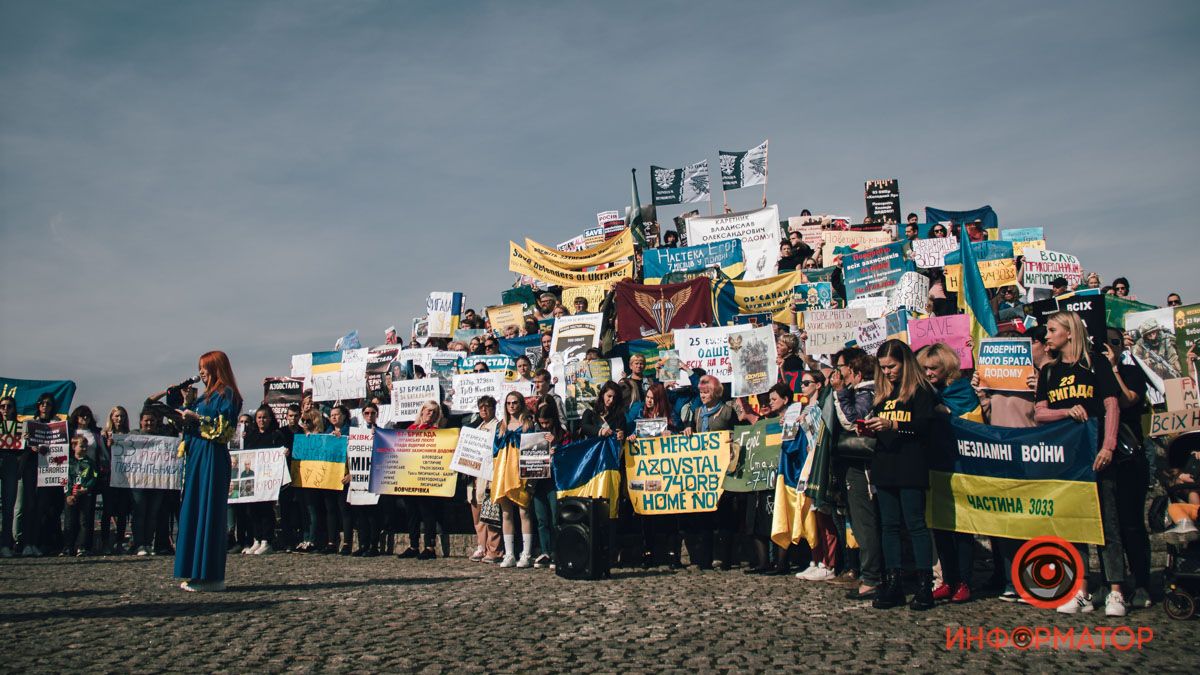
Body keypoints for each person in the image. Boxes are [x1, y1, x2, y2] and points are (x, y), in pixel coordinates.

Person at [1034, 311, 1126, 616]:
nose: (1047, 336)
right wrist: (1065, 411)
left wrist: (1108, 446)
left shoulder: (1094, 363)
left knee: (1107, 524)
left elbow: (1111, 405)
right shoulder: (1049, 372)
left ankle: (1115, 591)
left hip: (1096, 452)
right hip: (1067, 458)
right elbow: (1040, 413)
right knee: (1074, 525)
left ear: (1070, 333)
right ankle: (1082, 589)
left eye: (1051, 330)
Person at [863, 339, 938, 611]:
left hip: (910, 463)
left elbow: (924, 427)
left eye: (891, 366)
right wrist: (871, 428)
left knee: (915, 524)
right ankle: (892, 583)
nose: (887, 372)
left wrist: (893, 424)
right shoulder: (883, 394)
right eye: (882, 368)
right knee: (889, 526)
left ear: (904, 363)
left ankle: (923, 585)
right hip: (885, 463)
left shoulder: (920, 391)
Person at [917, 343, 980, 604]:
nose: (929, 373)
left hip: (961, 463)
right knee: (940, 525)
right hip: (936, 461)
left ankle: (964, 580)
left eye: (934, 368)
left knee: (963, 527)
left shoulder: (962, 390)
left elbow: (970, 420)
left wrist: (945, 412)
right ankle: (949, 579)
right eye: (925, 369)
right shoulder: (930, 392)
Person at [174, 350, 242, 592]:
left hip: (212, 455)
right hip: (196, 455)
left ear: (216, 368)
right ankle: (193, 570)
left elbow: (225, 430)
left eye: (205, 367)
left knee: (209, 511)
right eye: (199, 367)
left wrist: (197, 419)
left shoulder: (228, 395)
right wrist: (184, 408)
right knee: (193, 508)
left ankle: (211, 574)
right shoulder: (202, 398)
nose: (201, 372)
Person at [830, 348, 881, 600]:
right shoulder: (858, 391)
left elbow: (852, 421)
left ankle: (872, 577)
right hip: (853, 465)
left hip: (864, 466)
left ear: (854, 370)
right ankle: (870, 573)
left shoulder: (866, 391)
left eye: (841, 367)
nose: (838, 373)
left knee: (865, 521)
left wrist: (840, 392)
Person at [680, 374, 737, 570]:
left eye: (706, 392)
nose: (703, 395)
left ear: (715, 392)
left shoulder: (727, 412)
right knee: (703, 515)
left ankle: (723, 557)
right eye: (701, 392)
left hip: (722, 471)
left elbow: (736, 434)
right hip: (702, 472)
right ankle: (701, 558)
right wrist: (688, 430)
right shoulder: (696, 413)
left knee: (723, 514)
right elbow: (692, 434)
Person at [625, 383, 679, 568]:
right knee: (647, 515)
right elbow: (633, 433)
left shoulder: (670, 416)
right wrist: (632, 437)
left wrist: (671, 433)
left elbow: (680, 433)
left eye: (652, 399)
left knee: (670, 513)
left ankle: (673, 554)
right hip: (647, 472)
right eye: (647, 397)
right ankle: (648, 553)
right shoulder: (640, 415)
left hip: (666, 471)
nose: (648, 401)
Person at [397, 401, 444, 560]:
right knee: (411, 513)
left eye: (434, 412)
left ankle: (430, 546)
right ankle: (413, 545)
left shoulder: (438, 432)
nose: (430, 414)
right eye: (428, 411)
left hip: (426, 478)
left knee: (427, 512)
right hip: (410, 478)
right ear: (422, 411)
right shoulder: (411, 429)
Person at [493, 391, 535, 568]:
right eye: (509, 403)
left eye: (515, 402)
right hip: (503, 470)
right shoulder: (501, 425)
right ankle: (509, 553)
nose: (511, 406)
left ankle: (526, 553)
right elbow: (495, 450)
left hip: (520, 471)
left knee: (524, 512)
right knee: (506, 513)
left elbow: (535, 450)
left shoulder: (528, 424)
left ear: (521, 404)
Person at [240, 405, 286, 555]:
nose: (262, 420)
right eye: (259, 417)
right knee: (252, 510)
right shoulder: (251, 436)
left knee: (266, 510)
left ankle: (267, 540)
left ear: (270, 419)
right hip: (253, 480)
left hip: (268, 481)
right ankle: (257, 539)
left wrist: (284, 453)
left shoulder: (276, 435)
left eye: (264, 417)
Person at [529, 397, 566, 569]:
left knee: (554, 518)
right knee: (541, 518)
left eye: (547, 422)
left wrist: (556, 444)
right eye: (541, 423)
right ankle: (545, 551)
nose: (544, 426)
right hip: (538, 482)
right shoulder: (534, 435)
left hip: (554, 482)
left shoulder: (561, 434)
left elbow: (569, 454)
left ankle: (557, 552)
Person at [465, 396, 503, 563]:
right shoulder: (476, 427)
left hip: (489, 475)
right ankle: (481, 546)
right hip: (474, 475)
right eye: (481, 407)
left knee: (491, 515)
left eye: (487, 407)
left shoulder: (499, 426)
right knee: (477, 513)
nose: (484, 410)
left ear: (493, 408)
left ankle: (494, 550)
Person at [0, 395, 33, 558]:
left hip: (11, 464)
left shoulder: (20, 427)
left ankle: (6, 545)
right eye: (3, 406)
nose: (6, 409)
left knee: (9, 507)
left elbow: (25, 451)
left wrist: (25, 442)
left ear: (14, 409)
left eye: (9, 406)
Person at [62, 435, 100, 557]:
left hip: (85, 495)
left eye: (85, 446)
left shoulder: (91, 463)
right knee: (69, 521)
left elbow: (94, 477)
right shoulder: (68, 462)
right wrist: (68, 494)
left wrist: (86, 488)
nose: (84, 449)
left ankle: (81, 547)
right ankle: (68, 547)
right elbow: (64, 479)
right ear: (74, 446)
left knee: (84, 521)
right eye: (81, 446)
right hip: (70, 497)